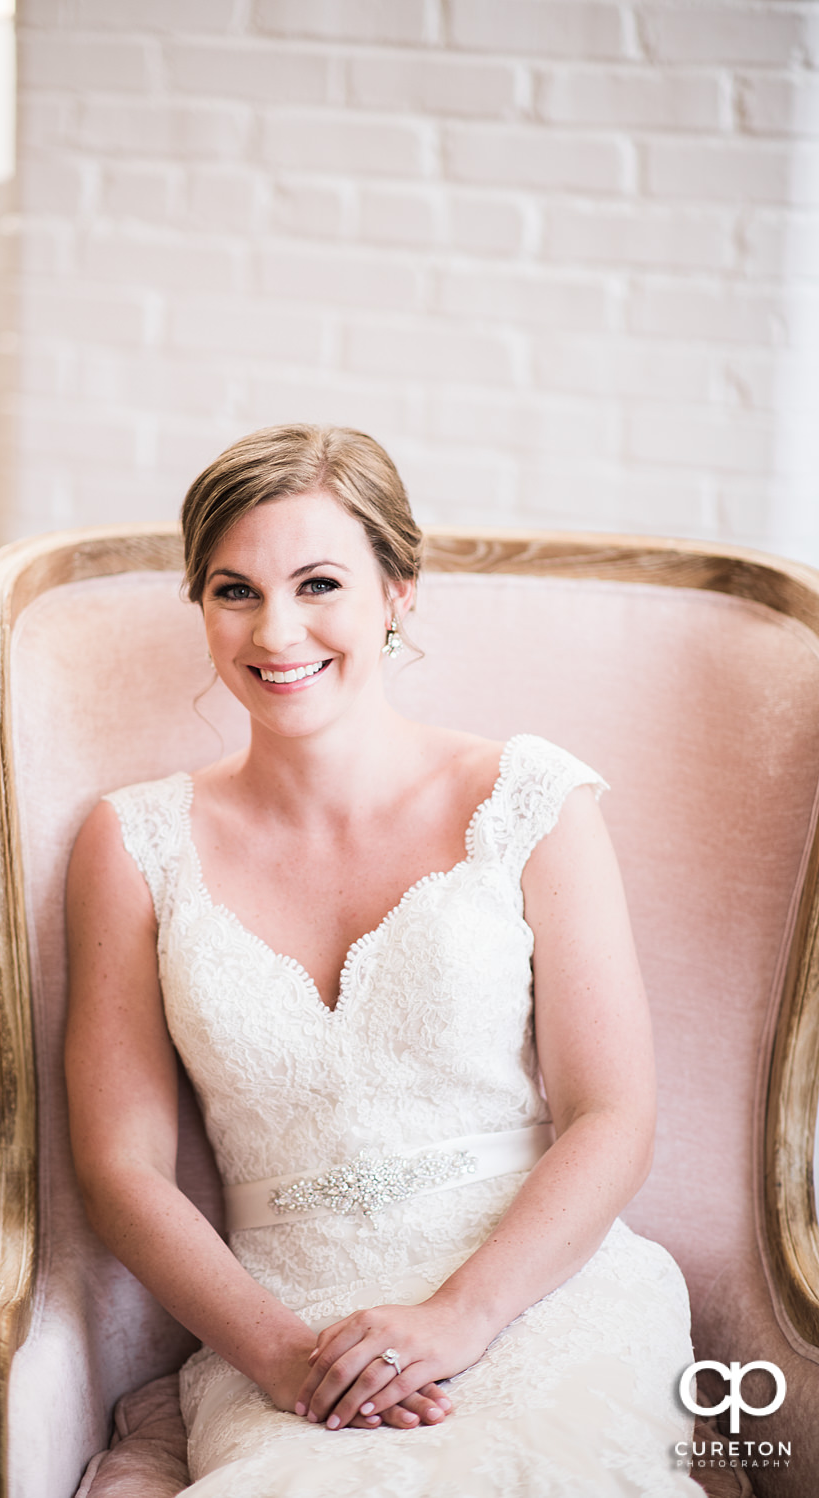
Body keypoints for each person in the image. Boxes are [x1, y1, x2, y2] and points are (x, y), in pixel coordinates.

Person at [65, 425, 700, 1495]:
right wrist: (275, 1352)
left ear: (399, 593)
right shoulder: (131, 842)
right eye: (233, 590)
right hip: (288, 1319)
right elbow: (119, 1165)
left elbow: (612, 1114)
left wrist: (463, 1314)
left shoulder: (529, 801)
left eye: (319, 583)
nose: (276, 630)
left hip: (536, 1287)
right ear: (201, 604)